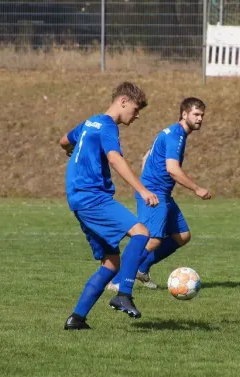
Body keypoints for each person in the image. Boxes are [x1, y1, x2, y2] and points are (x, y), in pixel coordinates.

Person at [60, 82, 159, 331]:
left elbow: (63, 141)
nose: (136, 116)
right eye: (135, 110)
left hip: (78, 200)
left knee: (111, 262)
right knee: (141, 233)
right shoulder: (107, 126)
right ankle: (124, 293)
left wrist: (74, 151)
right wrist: (143, 190)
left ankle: (77, 319)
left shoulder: (90, 123)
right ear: (123, 101)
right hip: (93, 197)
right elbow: (115, 158)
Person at [108, 97, 211, 292]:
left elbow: (146, 155)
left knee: (182, 235)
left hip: (161, 192)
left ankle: (142, 269)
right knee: (152, 238)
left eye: (202, 115)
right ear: (184, 114)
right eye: (196, 114)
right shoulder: (176, 135)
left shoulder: (171, 131)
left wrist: (148, 176)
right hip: (154, 194)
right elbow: (172, 169)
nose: (200, 119)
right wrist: (197, 189)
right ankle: (118, 281)